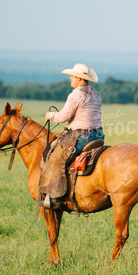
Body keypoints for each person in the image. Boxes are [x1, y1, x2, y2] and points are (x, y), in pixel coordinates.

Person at [37, 63, 104, 209]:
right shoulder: (96, 94)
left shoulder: (75, 95)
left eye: (73, 76)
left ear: (80, 79)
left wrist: (50, 115)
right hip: (98, 136)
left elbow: (63, 116)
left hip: (81, 138)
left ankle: (53, 197)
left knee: (54, 158)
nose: (70, 78)